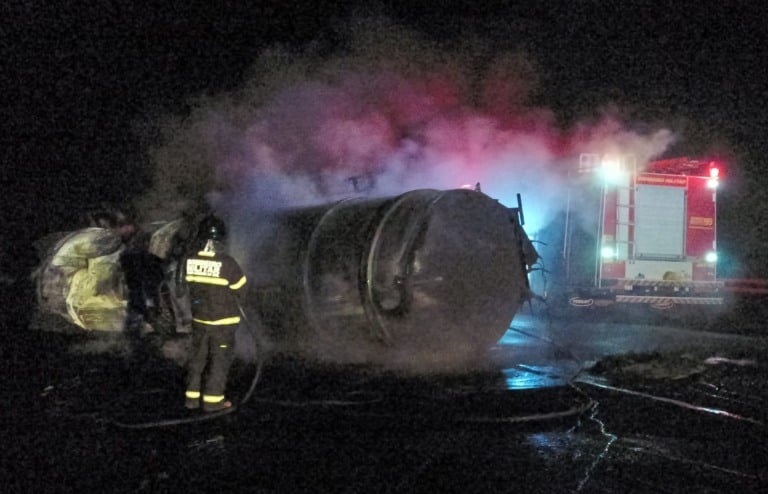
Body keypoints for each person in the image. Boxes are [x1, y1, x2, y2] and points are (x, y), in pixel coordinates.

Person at [182, 215, 247, 412]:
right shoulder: (227, 263)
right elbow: (242, 291)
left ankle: (191, 400)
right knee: (219, 363)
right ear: (221, 240)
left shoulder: (190, 260)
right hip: (223, 324)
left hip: (200, 321)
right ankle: (213, 402)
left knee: (197, 361)